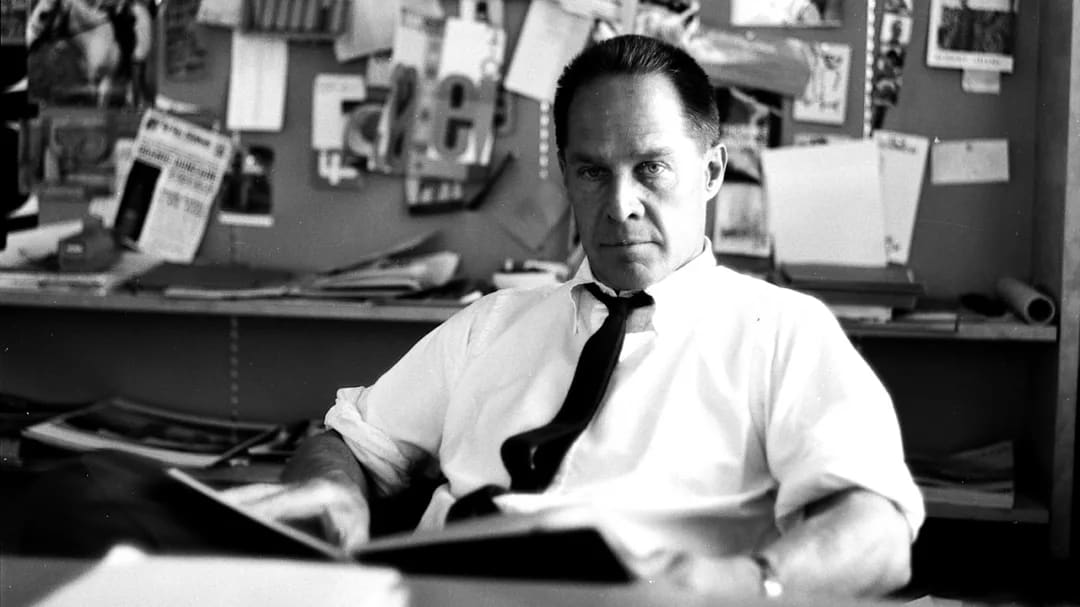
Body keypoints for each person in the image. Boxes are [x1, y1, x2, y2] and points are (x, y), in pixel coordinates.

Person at [230, 34, 924, 597]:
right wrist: (333, 492)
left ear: (711, 172)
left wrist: (749, 583)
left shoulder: (781, 331)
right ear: (567, 176)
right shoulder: (490, 325)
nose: (620, 205)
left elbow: (878, 533)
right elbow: (349, 440)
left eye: (651, 168)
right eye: (593, 172)